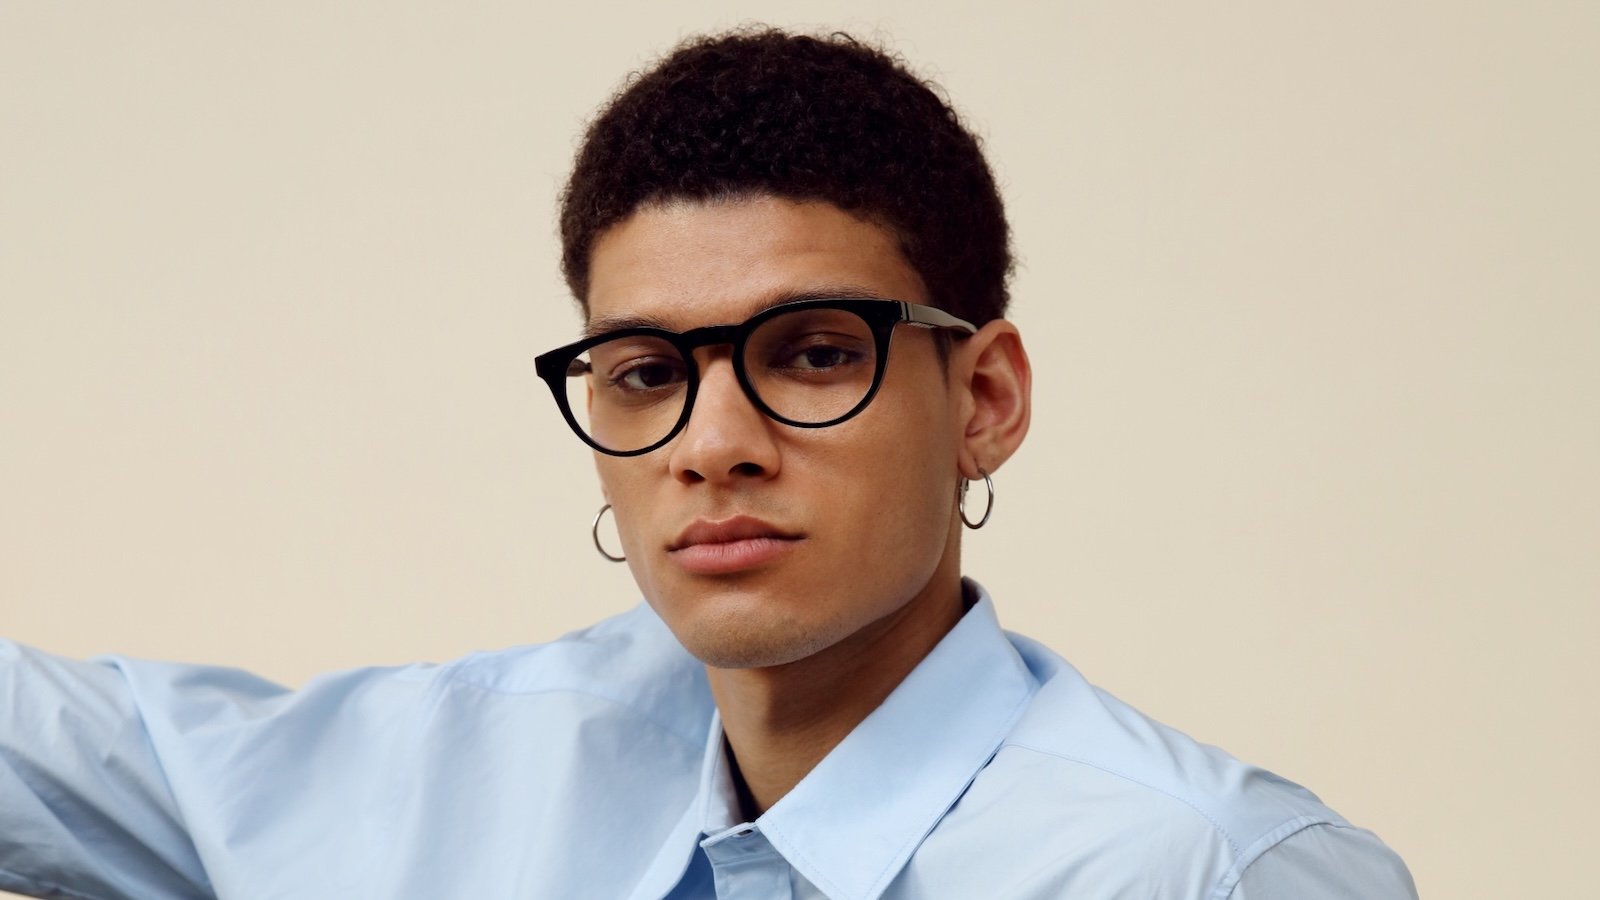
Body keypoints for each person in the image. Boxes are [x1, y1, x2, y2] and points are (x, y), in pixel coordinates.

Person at [0, 28, 1415, 900]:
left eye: (814, 354)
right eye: (646, 374)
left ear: (982, 400)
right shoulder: (446, 775)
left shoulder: (1204, 872)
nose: (712, 447)